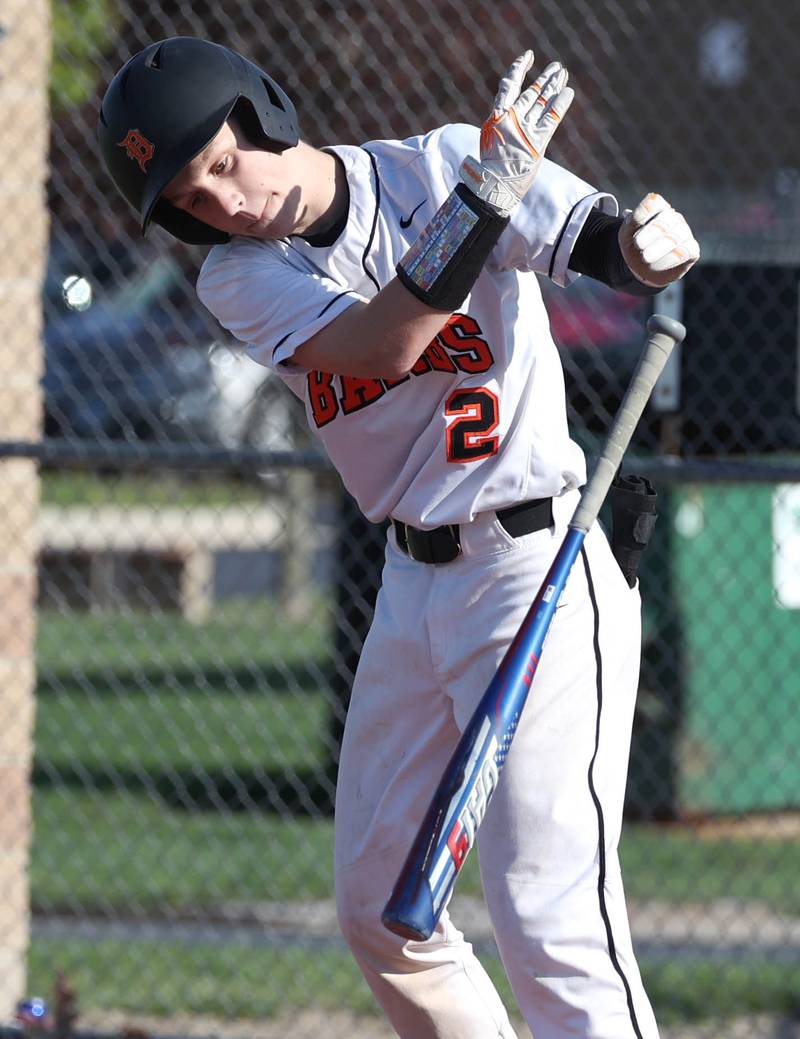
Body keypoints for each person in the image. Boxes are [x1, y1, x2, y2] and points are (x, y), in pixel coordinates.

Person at [98, 36, 699, 1039]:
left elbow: (598, 240)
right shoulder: (240, 278)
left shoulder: (438, 167)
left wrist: (643, 245)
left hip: (532, 559)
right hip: (412, 583)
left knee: (544, 906)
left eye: (221, 161)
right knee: (381, 911)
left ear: (264, 112)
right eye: (190, 198)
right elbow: (381, 346)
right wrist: (482, 202)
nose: (224, 202)